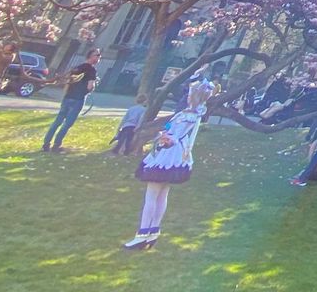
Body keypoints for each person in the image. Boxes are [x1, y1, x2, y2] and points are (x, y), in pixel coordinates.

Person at [122, 79, 214, 250]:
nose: (187, 97)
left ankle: (142, 235)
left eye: (190, 94)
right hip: (172, 154)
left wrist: (163, 136)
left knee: (152, 194)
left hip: (167, 154)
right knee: (162, 193)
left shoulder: (188, 116)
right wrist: (163, 132)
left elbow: (173, 135)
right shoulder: (188, 114)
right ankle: (152, 232)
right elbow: (169, 126)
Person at [41, 48, 100, 152]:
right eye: (97, 55)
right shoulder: (91, 70)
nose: (99, 57)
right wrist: (94, 85)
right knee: (68, 123)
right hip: (78, 99)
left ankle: (46, 143)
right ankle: (57, 145)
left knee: (57, 121)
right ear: (91, 56)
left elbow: (68, 82)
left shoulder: (76, 68)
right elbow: (90, 86)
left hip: (68, 97)